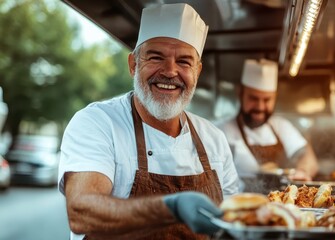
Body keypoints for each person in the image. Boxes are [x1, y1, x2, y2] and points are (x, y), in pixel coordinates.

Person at [58, 3, 239, 240]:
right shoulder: (97, 122)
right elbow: (82, 213)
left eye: (184, 62)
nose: (170, 71)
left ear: (197, 72)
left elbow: (235, 220)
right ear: (133, 64)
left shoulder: (213, 139)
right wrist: (171, 208)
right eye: (156, 57)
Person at [218, 58, 318, 191]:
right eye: (253, 98)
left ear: (275, 97)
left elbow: (306, 155)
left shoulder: (281, 126)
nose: (260, 107)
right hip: (242, 205)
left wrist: (303, 171)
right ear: (240, 93)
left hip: (281, 204)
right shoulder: (222, 132)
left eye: (267, 100)